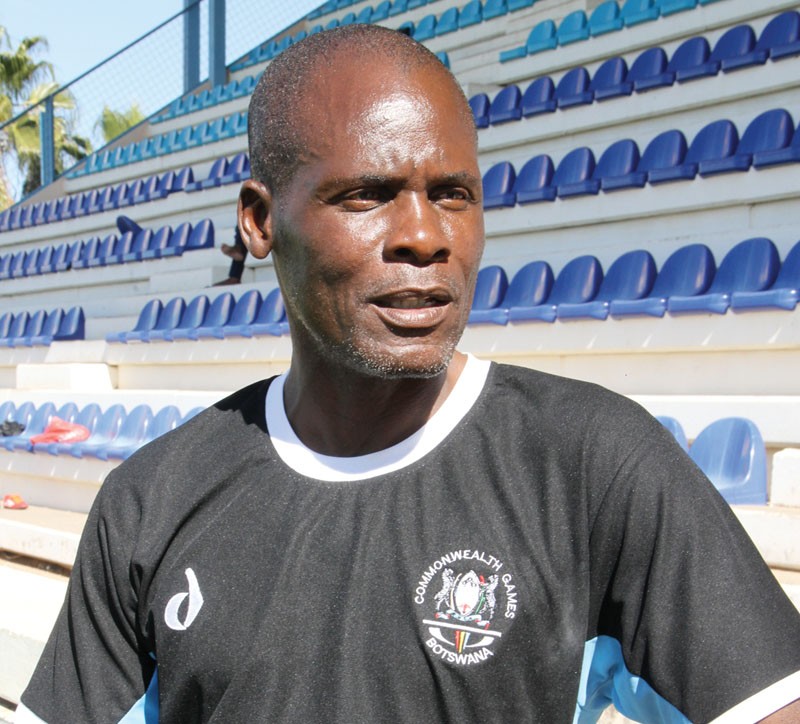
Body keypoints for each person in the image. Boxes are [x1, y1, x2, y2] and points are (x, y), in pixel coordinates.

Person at [17, 25, 800, 723]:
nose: (426, 236)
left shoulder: (597, 465)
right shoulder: (150, 502)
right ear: (259, 220)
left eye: (454, 195)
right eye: (368, 195)